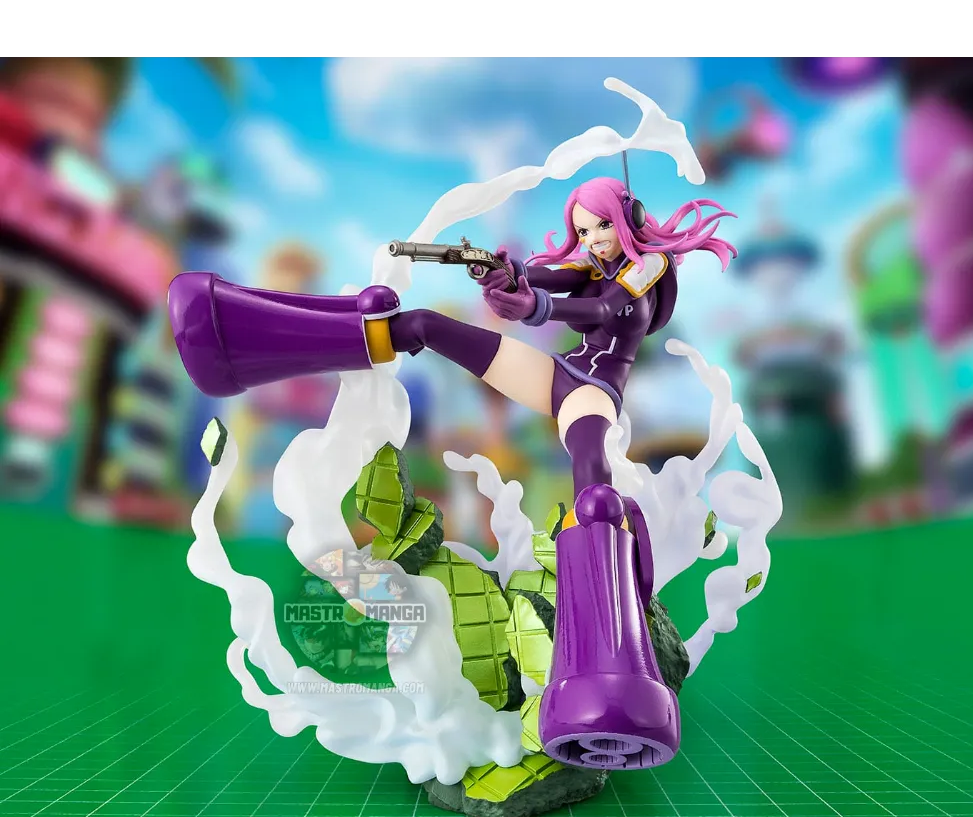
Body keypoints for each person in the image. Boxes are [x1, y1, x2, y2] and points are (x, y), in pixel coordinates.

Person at [168, 174, 736, 770]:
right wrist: (505, 277)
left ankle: (608, 672)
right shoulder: (590, 264)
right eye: (583, 229)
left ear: (627, 219)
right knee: (419, 326)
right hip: (556, 374)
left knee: (594, 494)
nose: (593, 239)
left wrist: (532, 305)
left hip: (594, 392)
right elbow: (545, 278)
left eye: (601, 227)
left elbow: (596, 308)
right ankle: (246, 342)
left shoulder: (643, 271)